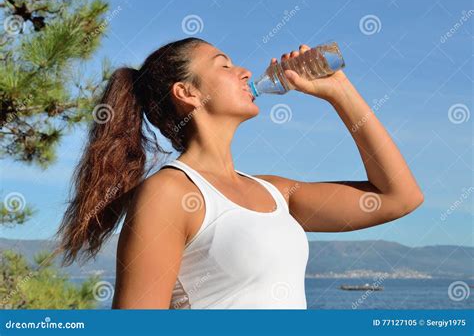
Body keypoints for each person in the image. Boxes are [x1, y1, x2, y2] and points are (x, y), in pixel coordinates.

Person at [55, 37, 424, 309]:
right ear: (188, 93)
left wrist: (339, 91)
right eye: (224, 65)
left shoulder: (276, 193)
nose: (246, 71)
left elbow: (399, 198)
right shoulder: (169, 193)